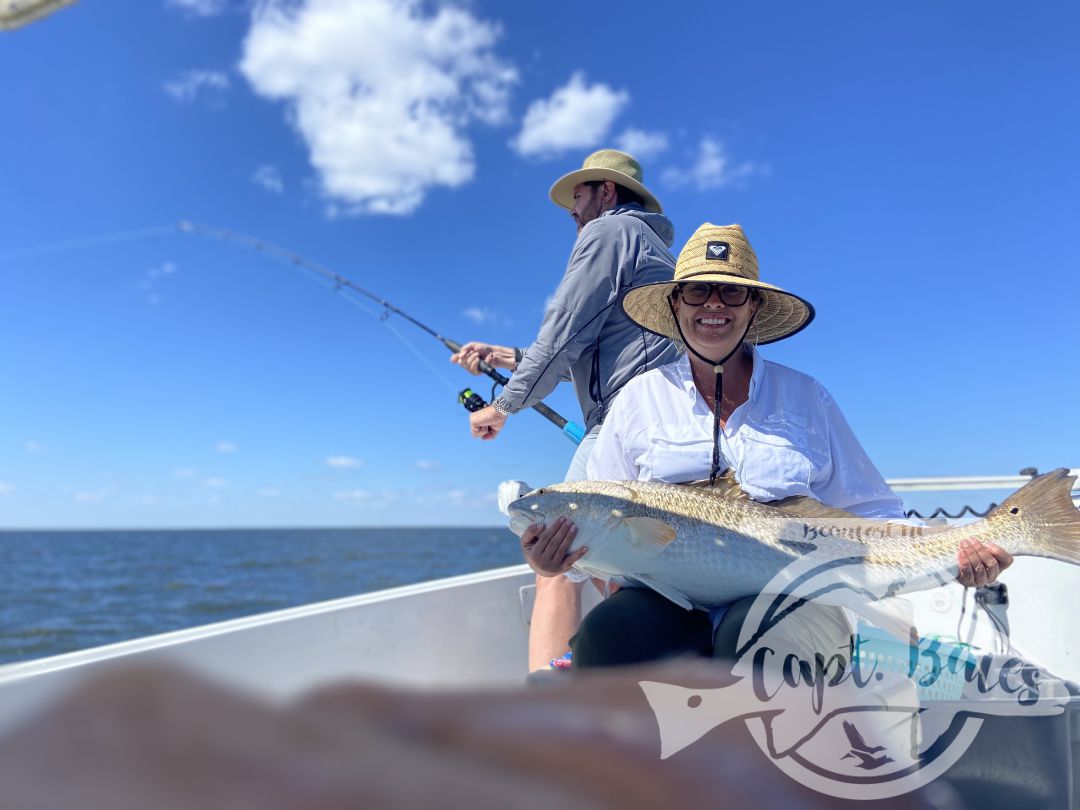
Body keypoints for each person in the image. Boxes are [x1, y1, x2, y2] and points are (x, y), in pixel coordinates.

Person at [519, 222, 1015, 668]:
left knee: (754, 639)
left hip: (796, 595)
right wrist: (556, 560)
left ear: (753, 307)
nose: (713, 304)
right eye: (697, 291)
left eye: (731, 293)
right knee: (607, 637)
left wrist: (958, 554)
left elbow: (872, 511)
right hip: (664, 599)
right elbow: (599, 524)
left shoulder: (808, 397)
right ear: (676, 304)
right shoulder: (637, 400)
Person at [451, 149, 678, 671]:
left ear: (607, 192)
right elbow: (595, 338)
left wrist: (503, 406)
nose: (571, 211)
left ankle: (544, 708)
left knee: (553, 556)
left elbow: (563, 330)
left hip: (624, 425)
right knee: (613, 567)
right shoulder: (648, 247)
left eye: (578, 195)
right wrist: (504, 357)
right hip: (659, 427)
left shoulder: (608, 233)